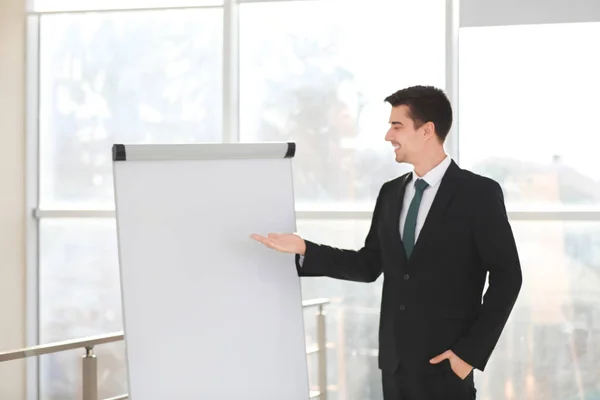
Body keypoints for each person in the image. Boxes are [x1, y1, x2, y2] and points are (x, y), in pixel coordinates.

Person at [251, 85, 522, 400]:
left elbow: (507, 277)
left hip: (447, 366)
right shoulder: (391, 193)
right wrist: (305, 249)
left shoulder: (478, 194)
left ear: (427, 131)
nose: (387, 136)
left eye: (397, 126)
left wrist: (468, 355)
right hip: (394, 366)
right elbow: (369, 264)